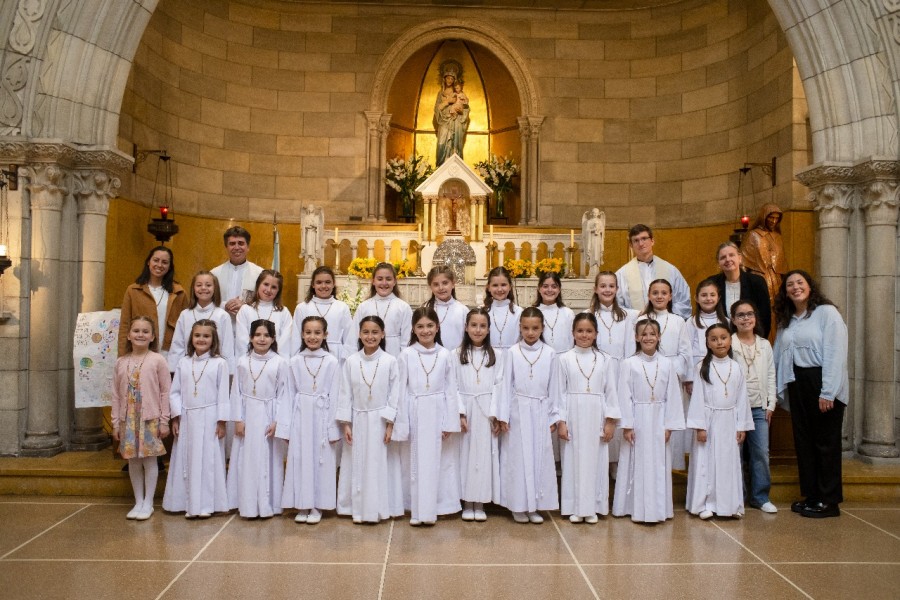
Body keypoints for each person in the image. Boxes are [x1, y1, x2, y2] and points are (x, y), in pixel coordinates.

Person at [773, 270, 848, 519]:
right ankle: (812, 495)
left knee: (826, 443)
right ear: (785, 292)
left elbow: (835, 353)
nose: (795, 287)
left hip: (821, 382)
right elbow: (777, 354)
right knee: (804, 443)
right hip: (797, 383)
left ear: (810, 286)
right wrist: (774, 389)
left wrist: (828, 391)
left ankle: (829, 501)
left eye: (800, 282)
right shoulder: (787, 320)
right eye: (790, 284)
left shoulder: (827, 313)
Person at [396, 307, 465, 526]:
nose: (425, 331)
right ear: (413, 329)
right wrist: (402, 422)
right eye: (420, 326)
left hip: (438, 412)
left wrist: (450, 421)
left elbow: (451, 389)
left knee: (439, 462)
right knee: (414, 462)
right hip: (414, 410)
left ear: (437, 327)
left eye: (429, 326)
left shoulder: (445, 355)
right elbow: (400, 390)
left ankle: (439, 506)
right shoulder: (406, 354)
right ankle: (415, 508)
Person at [612, 319, 685, 523]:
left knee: (658, 464)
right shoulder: (629, 363)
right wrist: (627, 425)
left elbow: (673, 395)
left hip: (659, 419)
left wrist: (669, 425)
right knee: (635, 462)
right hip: (637, 419)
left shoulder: (667, 364)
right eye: (643, 334)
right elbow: (624, 395)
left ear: (659, 337)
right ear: (636, 337)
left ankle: (658, 509)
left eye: (652, 334)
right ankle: (632, 507)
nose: (648, 338)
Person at [336, 316, 404, 524]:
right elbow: (345, 393)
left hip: (380, 420)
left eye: (375, 332)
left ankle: (379, 508)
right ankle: (355, 508)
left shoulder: (390, 361)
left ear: (383, 334)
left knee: (378, 465)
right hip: (357, 419)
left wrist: (390, 424)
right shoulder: (351, 361)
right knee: (356, 463)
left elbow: (395, 394)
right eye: (365, 332)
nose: (370, 336)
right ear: (359, 334)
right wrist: (346, 423)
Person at [495, 307, 560, 524]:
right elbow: (505, 384)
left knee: (538, 457)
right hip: (518, 411)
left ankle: (535, 505)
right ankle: (518, 505)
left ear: (542, 328)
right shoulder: (512, 352)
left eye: (535, 328)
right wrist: (503, 415)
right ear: (520, 328)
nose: (530, 333)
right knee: (518, 459)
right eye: (526, 328)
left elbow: (554, 387)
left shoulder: (550, 353)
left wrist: (553, 416)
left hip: (540, 410)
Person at [162, 320, 230, 518]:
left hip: (210, 418)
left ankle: (207, 505)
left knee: (208, 461)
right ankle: (185, 503)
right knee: (186, 460)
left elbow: (223, 395)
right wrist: (176, 418)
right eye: (197, 335)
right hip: (187, 418)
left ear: (213, 339)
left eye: (206, 336)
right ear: (191, 338)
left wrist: (222, 421)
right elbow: (175, 392)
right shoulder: (183, 362)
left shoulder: (220, 363)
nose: (201, 339)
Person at [556, 313, 620, 523]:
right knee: (573, 460)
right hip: (573, 414)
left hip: (597, 414)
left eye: (589, 331)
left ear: (596, 334)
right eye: (580, 331)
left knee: (596, 460)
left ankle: (593, 506)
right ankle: (574, 507)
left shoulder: (605, 359)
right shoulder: (564, 358)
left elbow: (611, 391)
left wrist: (610, 421)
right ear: (573, 333)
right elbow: (559, 393)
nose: (584, 335)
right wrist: (561, 422)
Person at [685, 323, 753, 520]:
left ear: (730, 340)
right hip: (708, 421)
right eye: (713, 339)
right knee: (706, 462)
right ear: (707, 343)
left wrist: (742, 426)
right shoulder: (702, 367)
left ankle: (729, 504)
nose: (719, 342)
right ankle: (705, 504)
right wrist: (700, 427)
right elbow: (697, 398)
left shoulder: (736, 367)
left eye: (723, 338)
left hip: (730, 421)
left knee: (728, 463)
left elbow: (742, 398)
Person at [279, 316, 341, 524]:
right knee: (300, 459)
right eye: (308, 332)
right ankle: (302, 503)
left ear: (325, 335)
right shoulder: (295, 361)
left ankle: (317, 505)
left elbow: (335, 395)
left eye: (317, 332)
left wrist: (333, 428)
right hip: (301, 416)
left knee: (321, 460)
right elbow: (288, 395)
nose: (312, 337)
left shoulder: (331, 361)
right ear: (302, 334)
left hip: (323, 416)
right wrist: (286, 428)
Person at [226, 320, 290, 518]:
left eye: (266, 335)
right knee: (245, 458)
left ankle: (269, 503)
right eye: (258, 335)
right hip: (246, 415)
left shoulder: (280, 362)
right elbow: (235, 392)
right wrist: (238, 419)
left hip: (269, 415)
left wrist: (277, 421)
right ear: (251, 337)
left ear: (273, 338)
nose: (262, 339)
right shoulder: (242, 361)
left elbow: (284, 394)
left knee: (268, 459)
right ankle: (245, 503)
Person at [111, 316, 171, 521]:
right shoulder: (121, 362)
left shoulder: (158, 360)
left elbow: (165, 392)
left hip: (150, 418)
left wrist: (164, 420)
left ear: (152, 336)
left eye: (145, 331)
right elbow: (115, 395)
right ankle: (138, 501)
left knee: (149, 459)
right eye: (136, 331)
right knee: (133, 461)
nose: (140, 335)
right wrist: (115, 422)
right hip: (128, 418)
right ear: (129, 335)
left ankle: (148, 502)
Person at [587, 271, 639, 479]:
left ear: (617, 289)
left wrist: (627, 374)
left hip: (619, 370)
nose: (607, 290)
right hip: (596, 370)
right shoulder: (589, 314)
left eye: (611, 286)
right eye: (603, 286)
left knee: (618, 413)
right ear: (595, 289)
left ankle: (616, 462)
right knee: (600, 414)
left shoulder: (627, 316)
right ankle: (599, 460)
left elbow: (630, 347)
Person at [455, 307, 503, 522]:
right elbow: (453, 386)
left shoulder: (497, 355)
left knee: (484, 456)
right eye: (473, 325)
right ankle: (467, 501)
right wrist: (460, 413)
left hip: (486, 411)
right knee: (465, 456)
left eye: (482, 326)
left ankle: (481, 502)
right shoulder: (456, 354)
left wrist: (495, 414)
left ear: (489, 329)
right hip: (466, 411)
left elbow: (499, 386)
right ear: (466, 328)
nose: (478, 330)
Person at [639, 279, 692, 470]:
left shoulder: (678, 321)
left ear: (670, 296)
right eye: (655, 293)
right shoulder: (640, 320)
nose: (659, 296)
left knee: (668, 422)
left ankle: (669, 467)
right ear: (649, 295)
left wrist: (669, 370)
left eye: (664, 293)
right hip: (646, 376)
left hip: (672, 377)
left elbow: (685, 352)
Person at [731, 300, 778, 514]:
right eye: (740, 315)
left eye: (749, 314)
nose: (745, 318)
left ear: (755, 318)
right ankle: (737, 497)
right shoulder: (729, 342)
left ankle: (760, 497)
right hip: (735, 408)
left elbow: (771, 374)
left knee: (760, 453)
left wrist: (771, 404)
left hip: (759, 407)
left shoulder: (764, 344)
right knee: (736, 453)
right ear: (733, 320)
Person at [117, 246, 188, 359]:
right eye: (156, 260)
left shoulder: (179, 292)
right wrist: (122, 357)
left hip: (170, 352)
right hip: (140, 351)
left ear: (170, 266)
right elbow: (125, 326)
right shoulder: (133, 290)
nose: (159, 265)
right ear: (148, 262)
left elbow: (186, 326)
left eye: (164, 262)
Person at [616, 224, 691, 319]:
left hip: (666, 324)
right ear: (631, 245)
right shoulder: (622, 274)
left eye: (644, 238)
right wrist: (638, 315)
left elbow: (683, 302)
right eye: (636, 240)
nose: (641, 244)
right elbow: (617, 306)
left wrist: (663, 315)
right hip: (636, 325)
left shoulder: (671, 270)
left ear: (652, 241)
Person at [168, 271, 234, 373]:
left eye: (208, 285)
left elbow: (227, 347)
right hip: (188, 368)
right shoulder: (185, 314)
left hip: (214, 369)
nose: (203, 288)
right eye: (199, 285)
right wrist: (173, 371)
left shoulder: (222, 316)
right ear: (193, 288)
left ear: (215, 288)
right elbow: (177, 345)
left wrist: (228, 373)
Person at [293, 266, 356, 363]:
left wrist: (348, 360)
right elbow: (296, 337)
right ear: (313, 285)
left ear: (333, 284)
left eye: (327, 282)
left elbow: (349, 338)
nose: (323, 286)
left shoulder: (342, 307)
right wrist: (296, 360)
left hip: (336, 356)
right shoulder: (302, 308)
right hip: (308, 356)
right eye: (319, 282)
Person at [710, 241, 772, 337]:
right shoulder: (713, 283)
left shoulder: (756, 282)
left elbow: (765, 317)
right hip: (721, 340)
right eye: (723, 257)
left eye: (731, 255)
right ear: (718, 262)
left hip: (751, 339)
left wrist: (757, 341)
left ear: (739, 258)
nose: (728, 259)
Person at [353, 262, 413, 357]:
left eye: (388, 279)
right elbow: (354, 337)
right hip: (368, 355)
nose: (384, 283)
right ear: (373, 281)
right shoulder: (364, 307)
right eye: (380, 279)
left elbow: (407, 339)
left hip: (395, 354)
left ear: (394, 281)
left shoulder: (403, 307)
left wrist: (403, 360)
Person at [685, 278, 730, 395]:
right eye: (704, 295)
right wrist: (689, 379)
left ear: (718, 298)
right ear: (696, 298)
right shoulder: (691, 322)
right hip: (697, 370)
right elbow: (687, 351)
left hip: (721, 369)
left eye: (712, 295)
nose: (708, 298)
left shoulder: (726, 322)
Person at [236, 270, 294, 359]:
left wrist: (273, 360)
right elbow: (242, 341)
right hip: (250, 360)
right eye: (266, 284)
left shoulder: (283, 312)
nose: (269, 290)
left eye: (274, 287)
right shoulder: (245, 310)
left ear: (278, 291)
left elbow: (285, 342)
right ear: (258, 284)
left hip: (276, 361)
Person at [210, 226, 263, 322]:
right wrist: (224, 305)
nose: (237, 247)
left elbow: (265, 304)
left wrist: (245, 306)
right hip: (220, 325)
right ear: (226, 247)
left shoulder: (259, 274)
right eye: (232, 244)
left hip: (248, 326)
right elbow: (207, 302)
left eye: (241, 243)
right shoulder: (214, 274)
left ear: (248, 247)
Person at [742, 204, 786, 306]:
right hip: (758, 278)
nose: (774, 221)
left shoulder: (778, 237)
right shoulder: (753, 235)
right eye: (771, 217)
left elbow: (781, 262)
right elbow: (743, 260)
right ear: (764, 217)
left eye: (777, 218)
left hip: (776, 279)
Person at [423, 265, 469, 351]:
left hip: (457, 356)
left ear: (453, 284)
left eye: (445, 283)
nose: (441, 288)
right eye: (436, 284)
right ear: (430, 287)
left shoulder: (463, 310)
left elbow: (468, 339)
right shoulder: (425, 309)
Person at [533, 271, 575, 353]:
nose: (549, 290)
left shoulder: (568, 313)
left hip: (564, 357)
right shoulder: (533, 312)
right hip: (540, 357)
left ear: (559, 289)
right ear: (539, 288)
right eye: (545, 286)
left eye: (554, 286)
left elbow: (572, 340)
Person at [483, 266, 522, 350]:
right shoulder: (483, 312)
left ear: (510, 286)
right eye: (495, 285)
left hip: (513, 355)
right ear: (488, 287)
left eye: (503, 285)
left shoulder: (519, 312)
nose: (499, 289)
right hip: (489, 355)